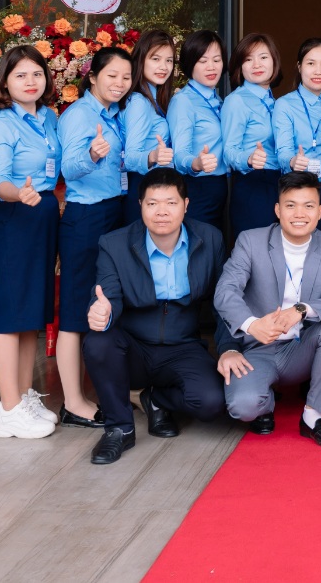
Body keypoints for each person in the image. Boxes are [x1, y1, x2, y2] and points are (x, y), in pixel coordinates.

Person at [83, 168, 229, 465]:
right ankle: (119, 428)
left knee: (212, 402)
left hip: (183, 347)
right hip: (134, 348)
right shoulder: (114, 244)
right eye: (152, 203)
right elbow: (107, 295)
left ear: (185, 205)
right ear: (140, 205)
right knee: (98, 341)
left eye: (171, 203)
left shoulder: (210, 238)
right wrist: (102, 312)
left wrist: (229, 348)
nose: (162, 212)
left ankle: (154, 399)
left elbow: (223, 302)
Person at [213, 171, 321, 448]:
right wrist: (252, 324)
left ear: (320, 212)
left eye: (308, 206)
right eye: (291, 205)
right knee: (243, 407)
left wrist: (301, 310)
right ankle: (265, 401)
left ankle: (312, 415)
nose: (299, 214)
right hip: (258, 348)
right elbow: (225, 291)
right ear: (278, 210)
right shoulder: (251, 241)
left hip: (303, 348)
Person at [0, 45, 61, 440]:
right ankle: (8, 409)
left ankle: (26, 396)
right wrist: (19, 194)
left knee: (32, 315)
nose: (31, 81)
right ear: (5, 82)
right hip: (14, 214)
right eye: (21, 75)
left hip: (43, 213)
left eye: (37, 73)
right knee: (12, 316)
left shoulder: (49, 117)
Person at [56, 46, 134, 428]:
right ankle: (72, 402)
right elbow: (68, 168)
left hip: (114, 211)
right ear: (92, 77)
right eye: (111, 75)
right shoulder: (79, 115)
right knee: (75, 309)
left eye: (126, 77)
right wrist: (91, 153)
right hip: (86, 217)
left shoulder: (116, 114)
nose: (119, 83)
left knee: (108, 301)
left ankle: (107, 389)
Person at [273, 38, 321, 241]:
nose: (318, 71)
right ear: (299, 67)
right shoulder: (285, 105)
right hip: (300, 189)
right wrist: (293, 161)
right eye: (310, 63)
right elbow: (283, 151)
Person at [169, 30, 231, 232]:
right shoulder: (183, 101)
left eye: (217, 60)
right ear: (190, 63)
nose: (211, 67)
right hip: (197, 189)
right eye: (203, 61)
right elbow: (179, 155)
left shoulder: (217, 99)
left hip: (219, 188)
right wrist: (196, 163)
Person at [222, 32, 281, 239]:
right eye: (248, 59)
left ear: (274, 60)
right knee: (254, 251)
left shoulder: (276, 102)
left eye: (263, 57)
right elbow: (229, 151)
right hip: (253, 185)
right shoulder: (236, 101)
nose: (256, 64)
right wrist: (248, 158)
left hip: (279, 184)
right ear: (240, 66)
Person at [122, 28, 176, 224]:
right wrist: (153, 156)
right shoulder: (139, 102)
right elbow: (130, 157)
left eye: (169, 60)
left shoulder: (153, 99)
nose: (163, 67)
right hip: (143, 188)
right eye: (155, 59)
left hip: (155, 188)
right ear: (141, 59)